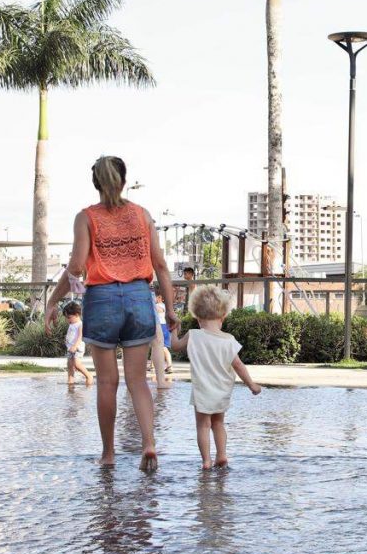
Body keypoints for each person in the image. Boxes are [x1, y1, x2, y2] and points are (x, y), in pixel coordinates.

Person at [45, 155, 178, 472]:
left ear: (96, 183)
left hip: (102, 299)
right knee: (138, 381)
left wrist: (53, 300)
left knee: (107, 382)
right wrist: (171, 307)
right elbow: (160, 265)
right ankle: (148, 443)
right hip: (138, 297)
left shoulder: (86, 218)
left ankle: (108, 454)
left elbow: (77, 266)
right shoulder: (142, 216)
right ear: (124, 180)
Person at [170, 285, 260, 470]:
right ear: (223, 315)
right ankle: (222, 455)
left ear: (196, 315)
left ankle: (206, 461)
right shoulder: (228, 340)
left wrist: (173, 330)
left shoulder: (193, 335)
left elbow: (175, 346)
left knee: (203, 426)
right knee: (218, 423)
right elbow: (238, 365)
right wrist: (251, 385)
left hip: (202, 390)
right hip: (221, 391)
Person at [63, 301, 93, 386]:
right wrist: (67, 339)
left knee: (76, 364)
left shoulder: (80, 324)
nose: (67, 320)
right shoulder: (72, 323)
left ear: (77, 314)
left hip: (77, 348)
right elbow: (71, 334)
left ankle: (88, 376)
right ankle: (70, 380)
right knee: (69, 364)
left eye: (69, 317)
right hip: (70, 348)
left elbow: (80, 336)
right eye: (66, 318)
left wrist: (75, 346)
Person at [149, 291, 173, 389]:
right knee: (156, 346)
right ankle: (152, 366)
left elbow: (160, 310)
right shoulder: (159, 304)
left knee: (163, 347)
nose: (156, 298)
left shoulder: (161, 305)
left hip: (162, 326)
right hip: (159, 326)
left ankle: (169, 365)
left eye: (157, 297)